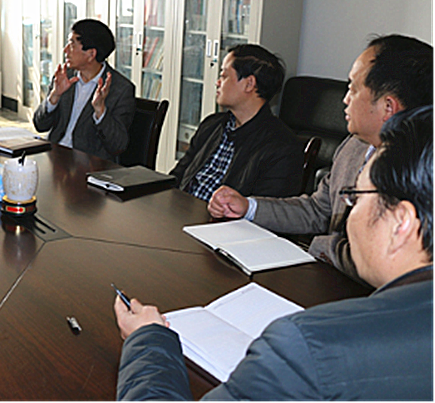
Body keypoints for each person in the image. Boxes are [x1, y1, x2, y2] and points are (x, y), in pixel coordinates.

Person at [115, 105, 434, 402]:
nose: (348, 213)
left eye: (356, 197)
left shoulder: (309, 347)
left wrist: (147, 341)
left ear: (401, 223)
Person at [207, 35, 434, 279]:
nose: (345, 99)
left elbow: (398, 267)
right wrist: (248, 207)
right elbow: (317, 210)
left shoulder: (421, 173)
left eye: (353, 89)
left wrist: (326, 247)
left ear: (388, 107)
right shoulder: (354, 146)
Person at [168, 44, 303, 201]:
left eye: (224, 76)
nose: (218, 83)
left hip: (217, 217)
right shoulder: (212, 125)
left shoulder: (282, 147)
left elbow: (264, 210)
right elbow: (176, 178)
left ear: (249, 84)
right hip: (182, 209)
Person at [33, 19, 136, 162]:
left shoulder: (120, 89)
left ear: (91, 54)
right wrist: (54, 96)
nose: (65, 50)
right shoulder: (65, 77)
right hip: (55, 156)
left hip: (88, 164)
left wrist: (100, 111)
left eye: (72, 45)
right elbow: (40, 125)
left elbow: (117, 146)